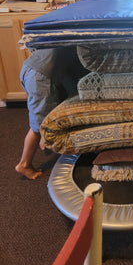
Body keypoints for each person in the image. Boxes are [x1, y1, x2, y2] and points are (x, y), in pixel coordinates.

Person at [15, 46, 87, 180]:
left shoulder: (58, 32)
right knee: (39, 126)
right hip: (41, 77)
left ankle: (45, 142)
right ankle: (24, 164)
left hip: (29, 68)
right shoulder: (75, 34)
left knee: (43, 116)